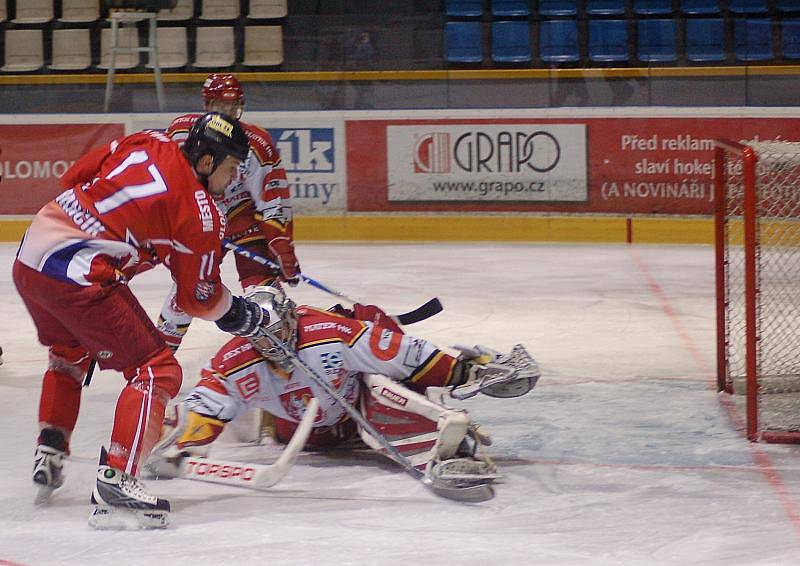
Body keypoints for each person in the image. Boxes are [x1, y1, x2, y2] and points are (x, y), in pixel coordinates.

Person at [13, 113, 278, 529]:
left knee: (69, 351)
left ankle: (50, 447)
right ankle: (118, 480)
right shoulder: (202, 213)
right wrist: (249, 316)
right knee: (157, 370)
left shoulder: (149, 140)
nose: (232, 180)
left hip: (32, 253)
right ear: (207, 162)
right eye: (230, 169)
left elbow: (75, 176)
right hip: (79, 271)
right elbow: (200, 298)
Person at [147, 287, 540, 487]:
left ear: (291, 318)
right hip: (301, 433)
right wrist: (177, 444)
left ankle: (442, 444)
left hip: (357, 407)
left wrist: (467, 372)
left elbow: (409, 354)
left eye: (280, 331)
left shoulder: (329, 333)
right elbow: (205, 409)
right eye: (262, 339)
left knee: (383, 378)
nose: (275, 344)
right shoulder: (235, 363)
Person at [157, 73, 300, 352]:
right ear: (207, 106)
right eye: (221, 107)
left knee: (262, 287)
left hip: (240, 218)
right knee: (189, 288)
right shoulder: (181, 134)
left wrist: (283, 251)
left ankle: (276, 345)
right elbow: (169, 186)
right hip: (199, 218)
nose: (229, 113)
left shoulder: (258, 144)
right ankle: (160, 353)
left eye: (233, 106)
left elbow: (273, 201)